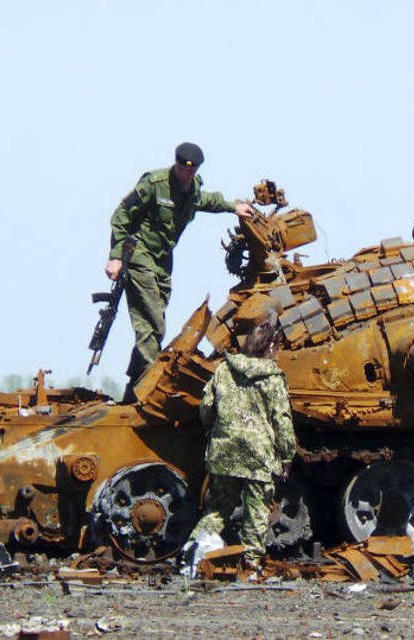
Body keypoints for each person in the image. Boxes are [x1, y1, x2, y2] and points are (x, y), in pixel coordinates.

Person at [105, 142, 255, 403]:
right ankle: (146, 391)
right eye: (183, 169)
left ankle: (134, 387)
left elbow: (205, 200)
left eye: (192, 170)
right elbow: (121, 216)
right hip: (139, 255)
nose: (186, 174)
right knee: (153, 325)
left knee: (151, 326)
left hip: (163, 263)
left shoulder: (193, 187)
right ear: (176, 164)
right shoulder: (155, 183)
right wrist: (116, 257)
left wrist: (234, 206)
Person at [187, 320, 296, 571]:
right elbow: (282, 420)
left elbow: (206, 407)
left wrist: (215, 430)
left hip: (224, 451)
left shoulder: (224, 369)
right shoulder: (273, 377)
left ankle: (194, 555)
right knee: (257, 511)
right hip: (259, 457)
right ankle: (252, 564)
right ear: (270, 347)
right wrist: (287, 456)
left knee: (217, 510)